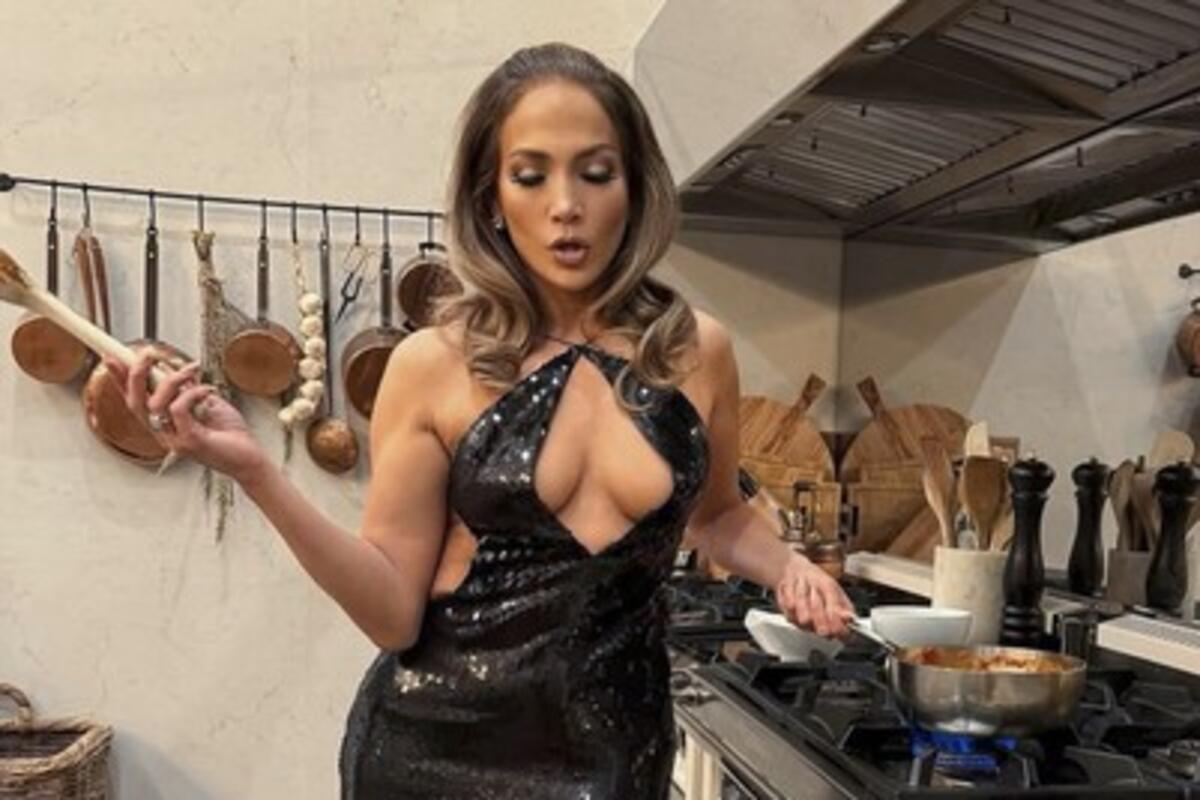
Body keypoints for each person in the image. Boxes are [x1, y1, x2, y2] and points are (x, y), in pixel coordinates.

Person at [106, 42, 853, 800]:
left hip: (616, 757)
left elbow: (719, 516)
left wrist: (786, 565)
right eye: (530, 176)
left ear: (635, 188)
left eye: (596, 173)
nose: (566, 205)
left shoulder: (696, 351)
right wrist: (256, 472)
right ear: (491, 197)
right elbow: (393, 616)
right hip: (431, 756)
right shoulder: (432, 364)